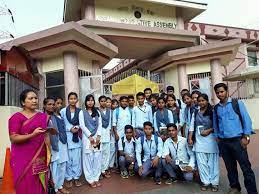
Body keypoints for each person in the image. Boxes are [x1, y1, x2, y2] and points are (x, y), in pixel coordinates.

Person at [213, 83, 258, 194]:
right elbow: (215, 124)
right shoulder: (216, 108)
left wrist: (246, 137)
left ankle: (252, 191)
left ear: (227, 91)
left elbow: (246, 120)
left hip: (238, 141)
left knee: (246, 168)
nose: (219, 94)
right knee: (230, 168)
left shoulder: (237, 103)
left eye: (222, 91)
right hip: (224, 143)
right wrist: (217, 138)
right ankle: (235, 187)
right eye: (217, 92)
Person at [8, 89, 52, 194]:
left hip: (40, 156)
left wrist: (50, 154)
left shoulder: (43, 117)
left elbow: (46, 136)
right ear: (23, 102)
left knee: (39, 183)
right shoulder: (16, 118)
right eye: (30, 98)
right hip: (22, 158)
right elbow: (13, 138)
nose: (34, 100)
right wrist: (33, 135)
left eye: (36, 98)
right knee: (24, 184)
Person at [189, 94, 219, 192]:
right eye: (199, 101)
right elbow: (191, 126)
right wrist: (190, 138)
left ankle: (214, 182)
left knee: (212, 163)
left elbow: (218, 125)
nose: (201, 103)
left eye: (203, 100)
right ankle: (205, 182)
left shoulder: (213, 111)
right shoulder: (195, 112)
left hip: (211, 139)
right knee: (202, 163)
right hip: (199, 140)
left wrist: (209, 130)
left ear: (207, 101)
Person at [44, 97, 70, 194]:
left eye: (53, 104)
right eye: (49, 104)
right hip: (51, 145)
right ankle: (54, 189)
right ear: (44, 106)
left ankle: (60, 186)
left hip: (61, 143)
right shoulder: (43, 117)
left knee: (62, 165)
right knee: (54, 167)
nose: (52, 106)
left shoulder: (56, 116)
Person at [79, 94, 102, 188]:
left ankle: (96, 178)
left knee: (96, 157)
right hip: (87, 138)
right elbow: (82, 125)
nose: (90, 102)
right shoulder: (82, 112)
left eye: (92, 100)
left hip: (96, 138)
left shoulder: (97, 112)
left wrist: (99, 136)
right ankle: (90, 179)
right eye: (88, 100)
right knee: (88, 158)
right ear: (86, 102)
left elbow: (100, 124)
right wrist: (89, 136)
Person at [60, 92, 82, 188]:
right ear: (68, 100)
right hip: (67, 138)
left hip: (77, 138)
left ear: (77, 100)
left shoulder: (80, 111)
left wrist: (77, 127)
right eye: (71, 98)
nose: (73, 100)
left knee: (77, 160)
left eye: (74, 98)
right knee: (68, 160)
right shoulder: (63, 111)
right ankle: (69, 178)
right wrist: (70, 129)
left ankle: (76, 178)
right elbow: (61, 124)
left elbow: (82, 123)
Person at [98, 96, 112, 178]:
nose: (103, 103)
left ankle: (103, 170)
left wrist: (110, 132)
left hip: (107, 134)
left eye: (105, 101)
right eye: (102, 101)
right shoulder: (96, 111)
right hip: (99, 135)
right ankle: (98, 171)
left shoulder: (109, 111)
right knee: (98, 153)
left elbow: (109, 123)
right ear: (99, 102)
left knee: (106, 154)